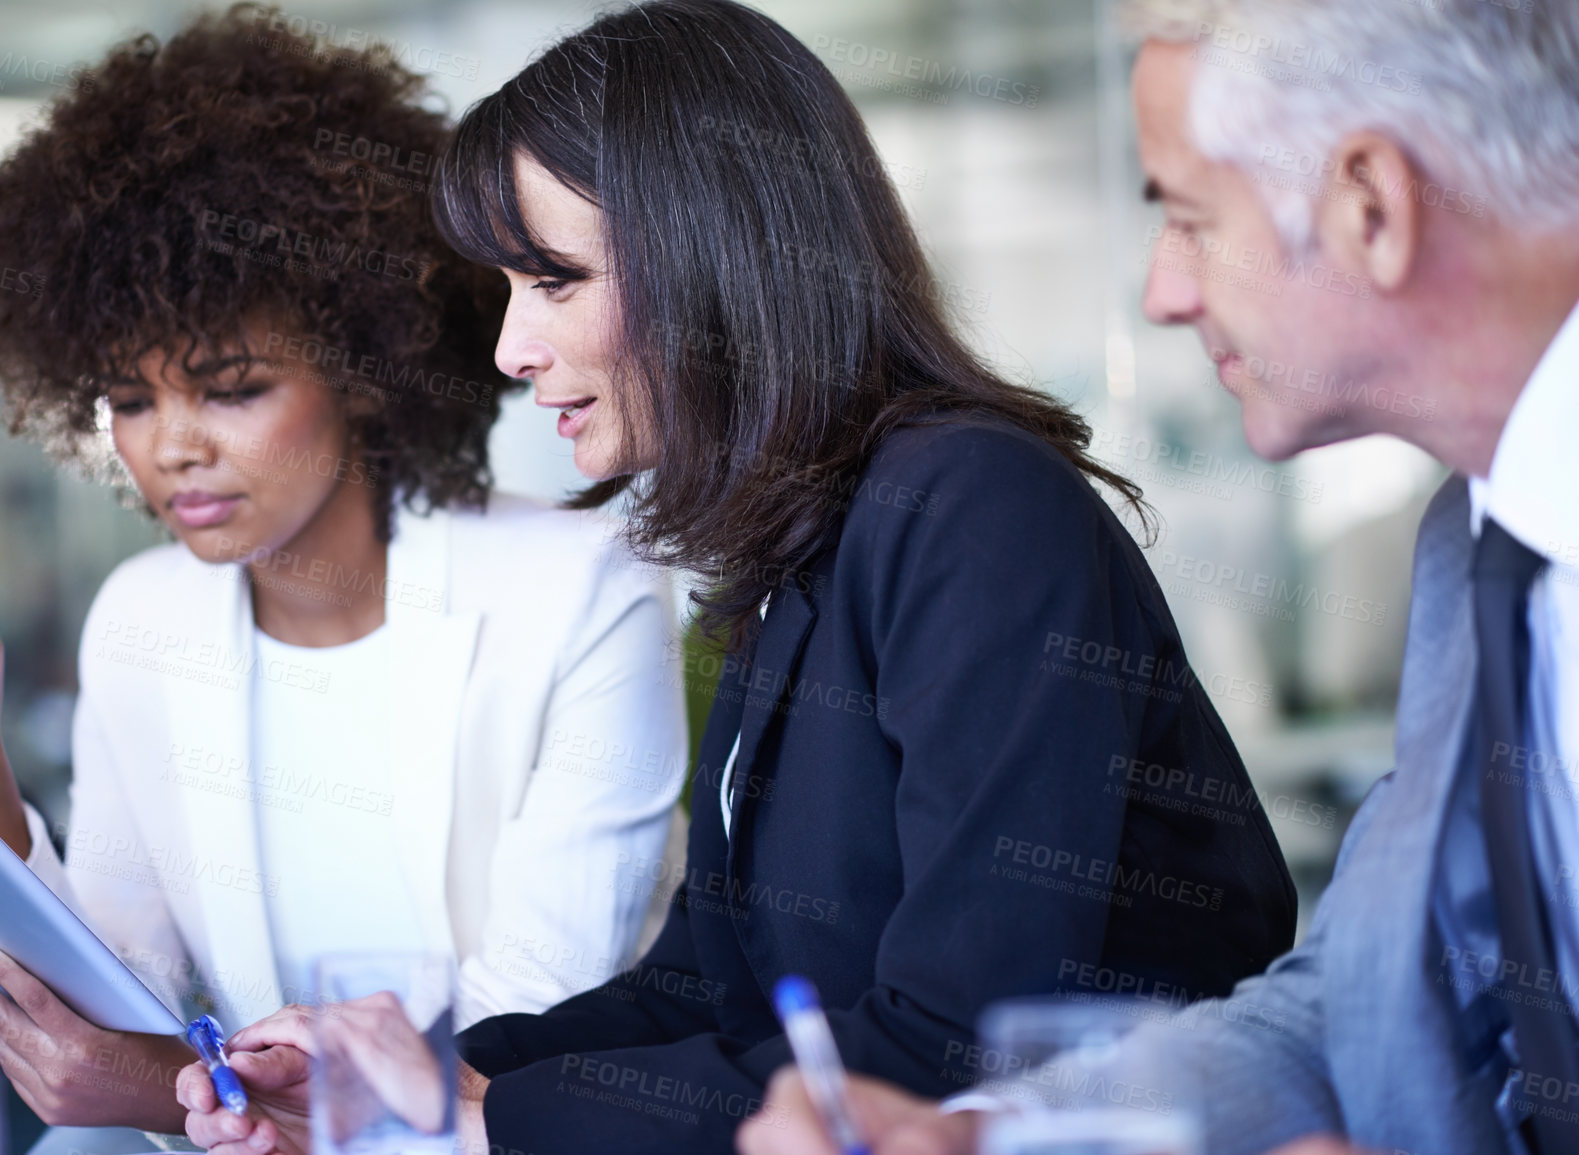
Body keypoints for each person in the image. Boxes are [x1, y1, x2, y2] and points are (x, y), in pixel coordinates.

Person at [177, 2, 1300, 1152]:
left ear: (714, 262)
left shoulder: (972, 508)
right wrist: (409, 1073)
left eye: (552, 281)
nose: (511, 349)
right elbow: (705, 991)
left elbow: (958, 1040)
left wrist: (479, 1119)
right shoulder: (797, 548)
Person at [739, 1, 1579, 1153]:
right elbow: (1352, 1011)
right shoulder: (1479, 552)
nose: (1164, 295)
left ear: (1372, 206)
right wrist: (989, 1135)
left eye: (1191, 218)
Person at [0, 5, 687, 1142]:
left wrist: (154, 1086)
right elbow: (113, 994)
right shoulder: (142, 616)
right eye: (132, 401)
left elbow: (528, 1032)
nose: (172, 447)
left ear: (362, 364)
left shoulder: (583, 592)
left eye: (231, 386)